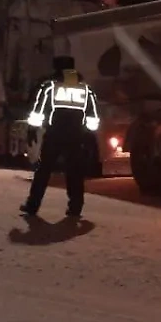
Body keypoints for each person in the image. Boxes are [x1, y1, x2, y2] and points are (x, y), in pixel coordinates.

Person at [20, 55, 99, 218]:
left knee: (43, 171)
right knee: (74, 172)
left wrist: (31, 130)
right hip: (76, 136)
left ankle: (32, 205)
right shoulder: (86, 89)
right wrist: (88, 135)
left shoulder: (50, 87)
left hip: (54, 134)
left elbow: (38, 111)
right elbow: (92, 117)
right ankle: (75, 208)